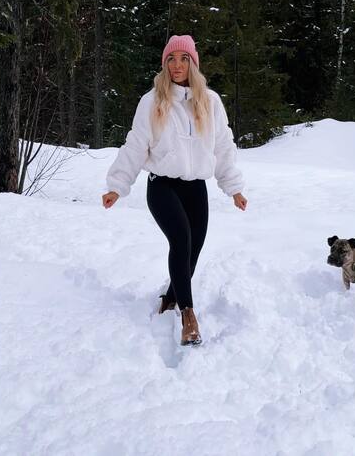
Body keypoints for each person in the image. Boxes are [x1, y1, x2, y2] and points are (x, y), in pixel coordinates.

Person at [102, 35, 247, 346]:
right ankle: (188, 315)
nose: (177, 65)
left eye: (184, 59)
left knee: (193, 249)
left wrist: (233, 187)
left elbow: (223, 146)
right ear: (164, 64)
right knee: (181, 239)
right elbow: (136, 144)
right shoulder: (152, 101)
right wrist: (118, 184)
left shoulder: (210, 101)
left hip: (196, 188)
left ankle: (169, 298)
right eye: (171, 59)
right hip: (162, 186)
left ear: (193, 64)